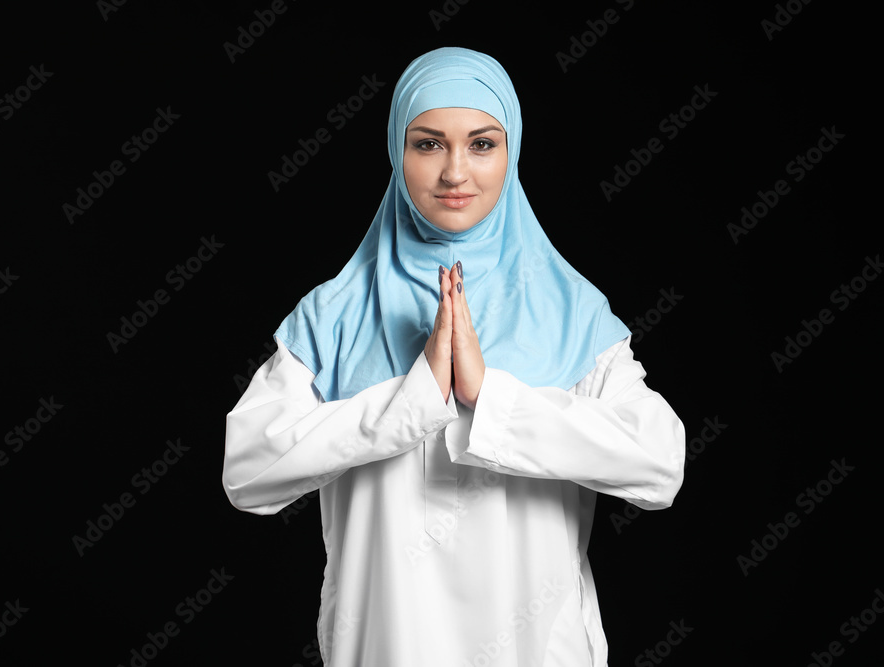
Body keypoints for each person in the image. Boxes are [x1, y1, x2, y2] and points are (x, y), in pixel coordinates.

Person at [223, 47, 685, 667]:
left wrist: (491, 397)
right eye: (429, 144)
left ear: (511, 151)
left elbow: (660, 465)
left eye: (483, 144)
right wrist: (411, 399)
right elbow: (247, 473)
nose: (456, 173)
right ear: (396, 150)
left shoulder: (570, 311)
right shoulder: (333, 313)